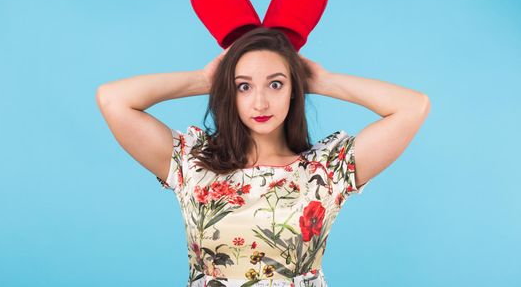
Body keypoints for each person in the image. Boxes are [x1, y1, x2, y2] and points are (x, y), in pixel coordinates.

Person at [96, 27, 430, 287]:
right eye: (243, 86)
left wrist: (324, 81)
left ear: (294, 89)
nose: (260, 103)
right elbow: (112, 99)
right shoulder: (192, 163)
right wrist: (204, 79)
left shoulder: (327, 168)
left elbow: (413, 107)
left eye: (275, 84)